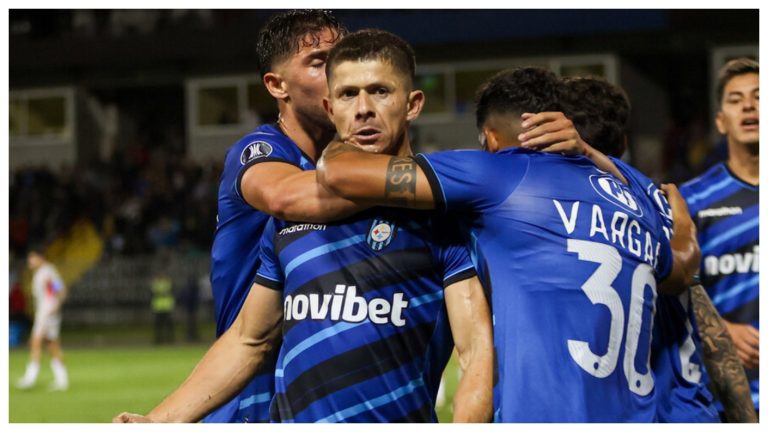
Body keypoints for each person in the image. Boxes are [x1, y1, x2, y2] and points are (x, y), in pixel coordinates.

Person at [114, 29, 494, 423]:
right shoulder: (290, 221)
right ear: (330, 109)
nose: (363, 108)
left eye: (380, 91)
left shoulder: (445, 220)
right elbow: (250, 338)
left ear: (413, 104)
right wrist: (157, 421)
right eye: (348, 94)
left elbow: (476, 353)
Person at [317, 66, 702, 421]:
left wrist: (339, 134)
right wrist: (682, 226)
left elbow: (339, 173)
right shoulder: (630, 196)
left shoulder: (498, 173)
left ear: (489, 138)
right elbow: (681, 269)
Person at [560, 75, 756, 423]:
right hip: (692, 408)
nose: (749, 106)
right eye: (737, 99)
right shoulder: (672, 207)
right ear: (623, 142)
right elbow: (702, 316)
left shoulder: (543, 226)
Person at [204, 10, 359, 423]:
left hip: (319, 399)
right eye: (318, 62)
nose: (339, 75)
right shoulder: (258, 151)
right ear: (277, 85)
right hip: (251, 397)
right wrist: (422, 181)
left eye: (343, 58)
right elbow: (286, 196)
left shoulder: (352, 163)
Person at [679, 58, 759, 420]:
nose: (748, 105)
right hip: (727, 399)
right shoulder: (691, 200)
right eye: (736, 99)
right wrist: (722, 330)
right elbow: (670, 293)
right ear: (720, 121)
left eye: (760, 96)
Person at [16, 249, 69, 391]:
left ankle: (30, 378)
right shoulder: (42, 272)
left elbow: (58, 290)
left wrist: (54, 306)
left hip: (48, 313)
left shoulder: (47, 272)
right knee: (52, 345)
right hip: (45, 312)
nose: (30, 262)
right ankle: (62, 380)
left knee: (35, 341)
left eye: (32, 259)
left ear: (40, 258)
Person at [150, 269, 175, 344]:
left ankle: (170, 339)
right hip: (158, 306)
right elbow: (154, 291)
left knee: (168, 324)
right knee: (158, 324)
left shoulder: (167, 282)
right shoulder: (156, 283)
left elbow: (167, 290)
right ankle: (158, 339)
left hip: (167, 305)